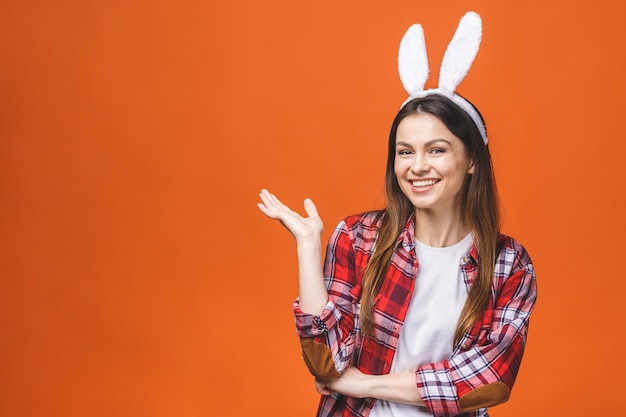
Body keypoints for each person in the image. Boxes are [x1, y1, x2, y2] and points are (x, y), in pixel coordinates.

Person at [257, 12, 536, 417]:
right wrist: (308, 246)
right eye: (405, 152)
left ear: (472, 159)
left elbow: (489, 382)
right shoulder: (359, 237)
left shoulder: (509, 265)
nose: (417, 166)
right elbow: (325, 364)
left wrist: (364, 383)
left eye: (436, 150)